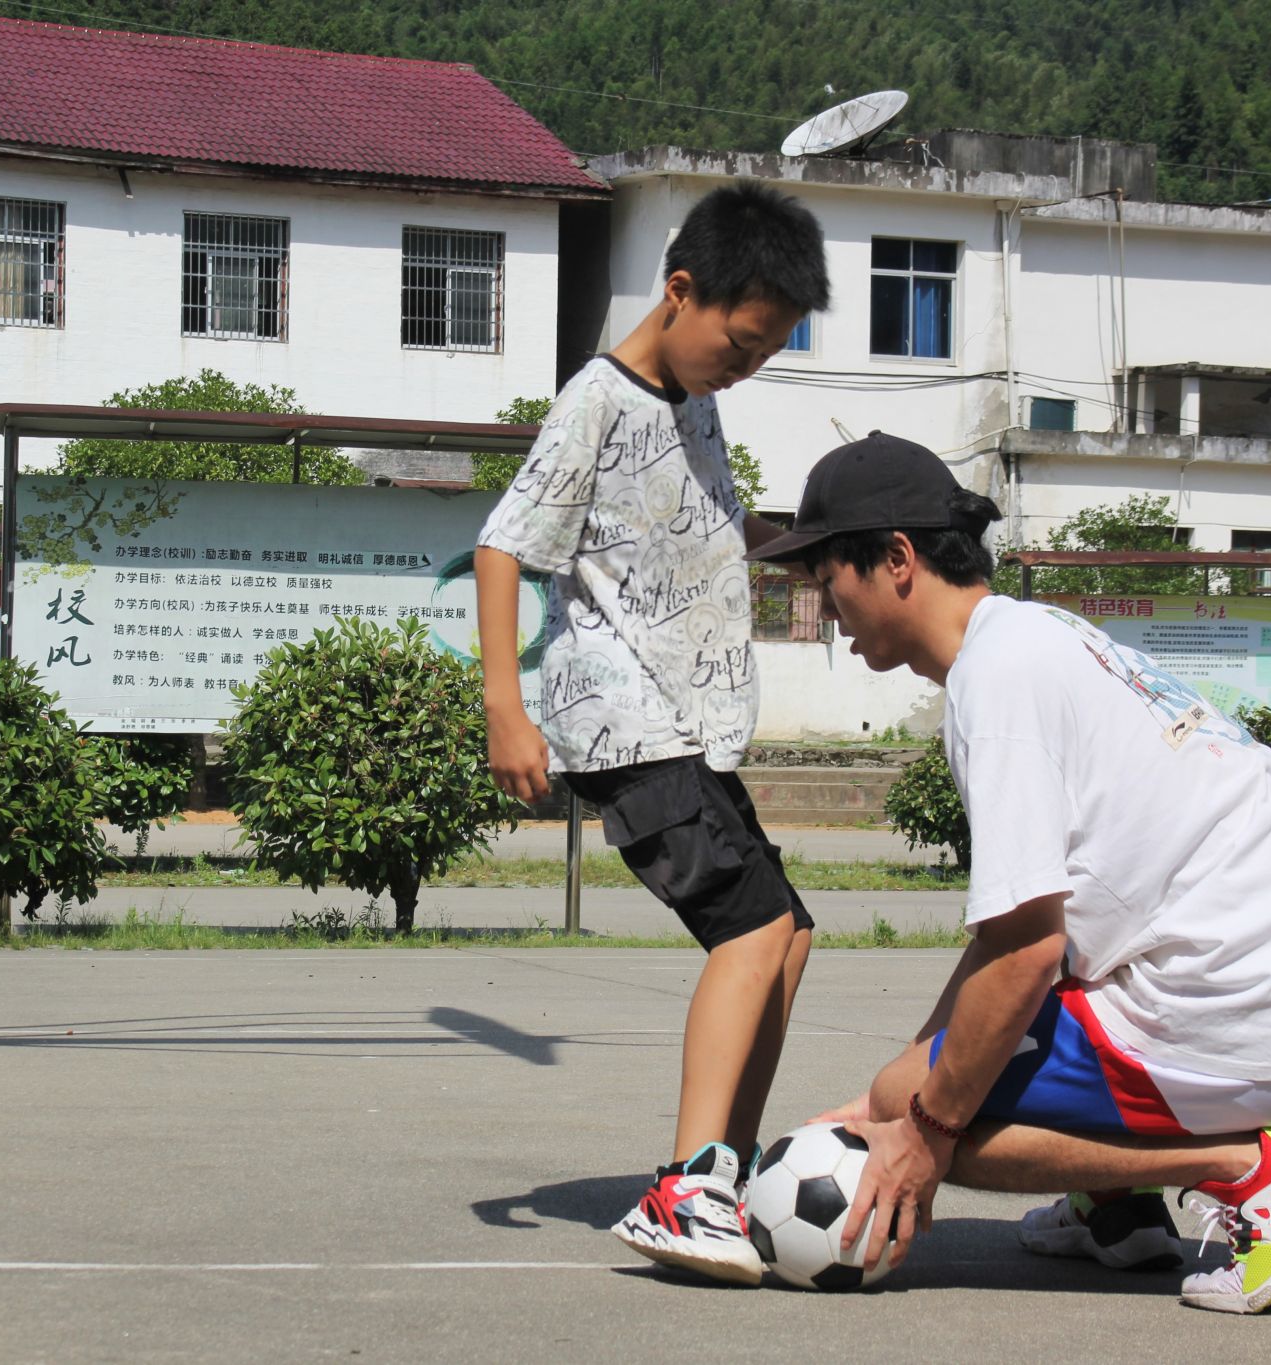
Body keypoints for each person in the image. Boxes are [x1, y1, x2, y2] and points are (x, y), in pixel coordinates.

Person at [747, 432, 1271, 1313]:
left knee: (936, 1107)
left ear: (896, 560)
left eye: (827, 580)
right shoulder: (1037, 635)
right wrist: (896, 1085)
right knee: (917, 1082)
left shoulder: (1000, 681)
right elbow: (1012, 941)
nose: (825, 607)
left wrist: (917, 1129)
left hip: (1261, 998)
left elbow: (1026, 955)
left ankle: (1254, 1171)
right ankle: (1114, 1207)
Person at [472, 182, 829, 1285]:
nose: (747, 366)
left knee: (790, 935)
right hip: (623, 720)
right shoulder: (599, 399)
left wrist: (807, 541)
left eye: (767, 352)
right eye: (742, 341)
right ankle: (688, 1184)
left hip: (688, 722)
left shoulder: (693, 399)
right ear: (680, 291)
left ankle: (723, 1177)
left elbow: (696, 527)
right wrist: (503, 708)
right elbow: (502, 545)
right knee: (750, 932)